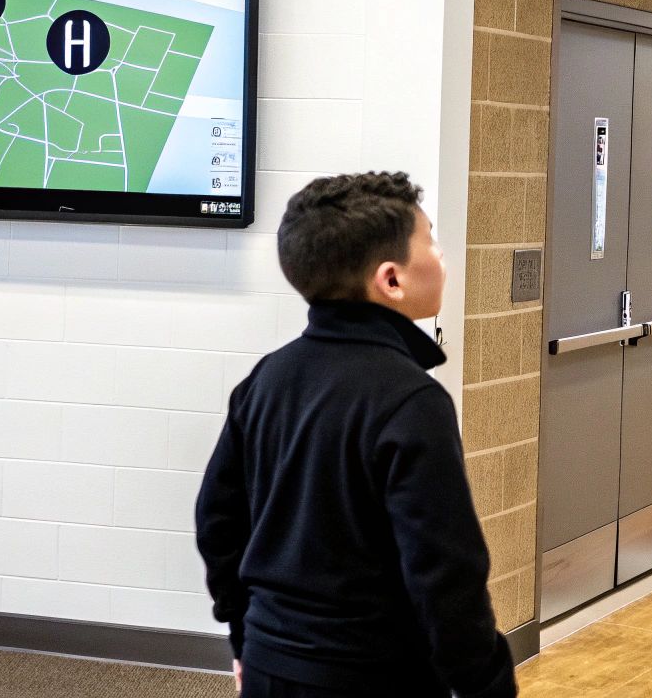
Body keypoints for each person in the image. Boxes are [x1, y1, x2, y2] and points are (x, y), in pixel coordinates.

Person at [196, 172, 517, 698]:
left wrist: (244, 638)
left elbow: (218, 524)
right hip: (375, 677)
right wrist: (487, 685)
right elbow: (445, 571)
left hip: (269, 665)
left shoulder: (266, 379)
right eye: (430, 240)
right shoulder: (412, 400)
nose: (442, 256)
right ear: (391, 280)